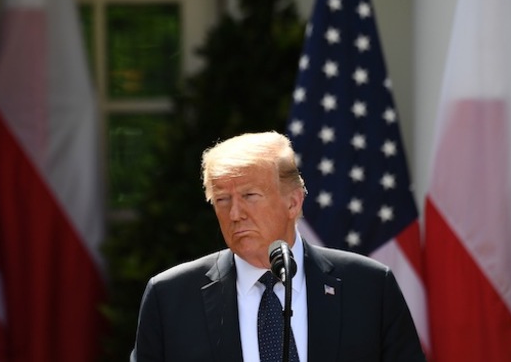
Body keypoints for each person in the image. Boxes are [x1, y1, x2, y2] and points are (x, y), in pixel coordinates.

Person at [130, 131, 426, 362]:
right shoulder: (170, 297)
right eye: (222, 200)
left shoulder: (368, 287)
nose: (235, 214)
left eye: (250, 195)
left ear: (293, 201)